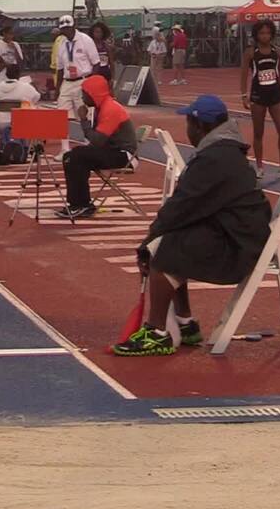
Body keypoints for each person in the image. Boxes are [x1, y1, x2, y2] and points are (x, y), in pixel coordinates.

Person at [112, 95, 271, 357]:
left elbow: (182, 206)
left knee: (166, 249)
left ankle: (157, 332)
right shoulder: (224, 150)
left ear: (200, 126)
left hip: (239, 248)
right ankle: (185, 324)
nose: (186, 131)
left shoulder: (215, 159)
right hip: (240, 233)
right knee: (176, 240)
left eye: (188, 123)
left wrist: (147, 243)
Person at [57, 75, 137, 219]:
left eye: (84, 94)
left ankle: (81, 204)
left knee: (77, 156)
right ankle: (79, 203)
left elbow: (97, 141)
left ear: (94, 94)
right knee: (72, 156)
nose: (82, 98)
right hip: (114, 151)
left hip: (124, 156)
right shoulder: (102, 107)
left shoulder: (110, 109)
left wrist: (83, 120)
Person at [239, 20, 280, 180]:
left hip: (276, 95)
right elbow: (243, 75)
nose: (265, 36)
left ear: (272, 34)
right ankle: (260, 167)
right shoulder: (250, 52)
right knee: (258, 132)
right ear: (256, 35)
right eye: (262, 33)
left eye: (268, 33)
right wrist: (244, 95)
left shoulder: (278, 51)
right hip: (258, 95)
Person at [53, 15, 100, 160]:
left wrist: (92, 84)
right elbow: (60, 68)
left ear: (73, 26)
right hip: (67, 82)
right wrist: (57, 88)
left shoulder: (85, 40)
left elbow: (96, 63)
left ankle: (88, 144)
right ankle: (65, 149)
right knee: (61, 116)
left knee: (83, 113)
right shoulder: (62, 44)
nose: (65, 31)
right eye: (63, 29)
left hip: (83, 80)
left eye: (67, 28)